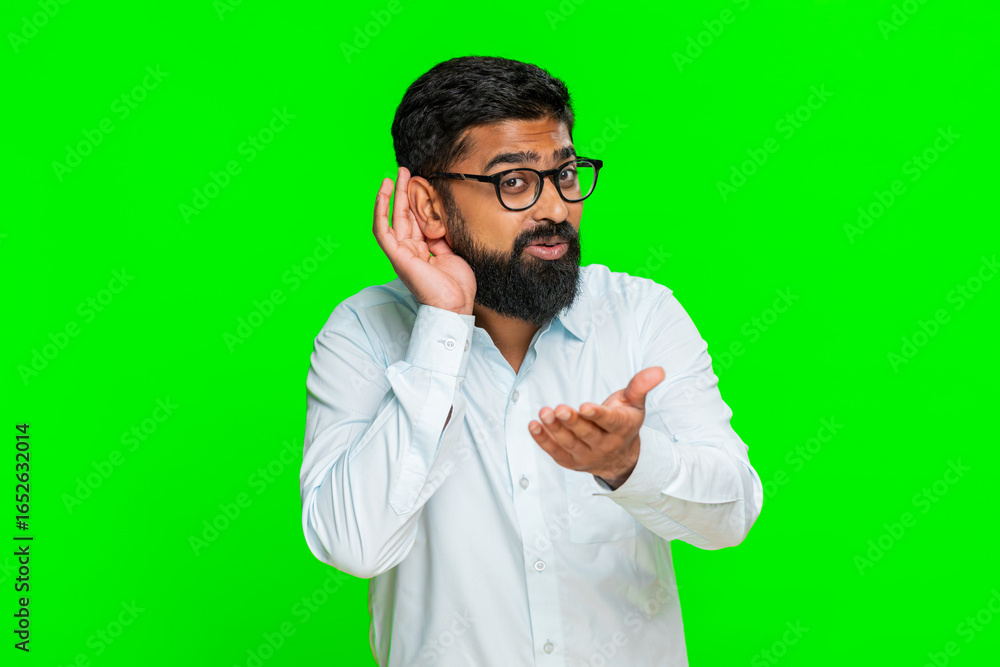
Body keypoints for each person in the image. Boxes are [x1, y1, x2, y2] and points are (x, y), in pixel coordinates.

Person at [299, 55, 763, 667]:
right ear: (429, 206)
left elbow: (732, 514)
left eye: (565, 174)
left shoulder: (640, 315)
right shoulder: (362, 333)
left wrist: (628, 462)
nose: (556, 209)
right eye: (515, 182)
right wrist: (443, 324)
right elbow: (352, 544)